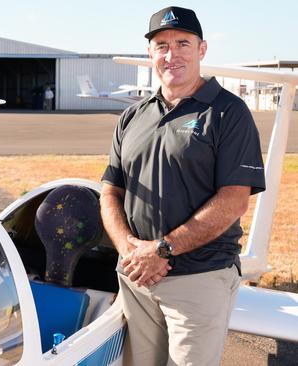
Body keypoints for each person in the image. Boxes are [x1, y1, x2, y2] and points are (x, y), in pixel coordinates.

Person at [99, 6, 265, 366]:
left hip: (198, 279)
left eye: (182, 43)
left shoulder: (228, 113)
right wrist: (130, 250)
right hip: (137, 279)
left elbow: (234, 201)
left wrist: (161, 250)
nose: (171, 54)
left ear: (201, 49)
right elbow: (111, 191)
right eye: (161, 45)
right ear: (150, 53)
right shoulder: (133, 116)